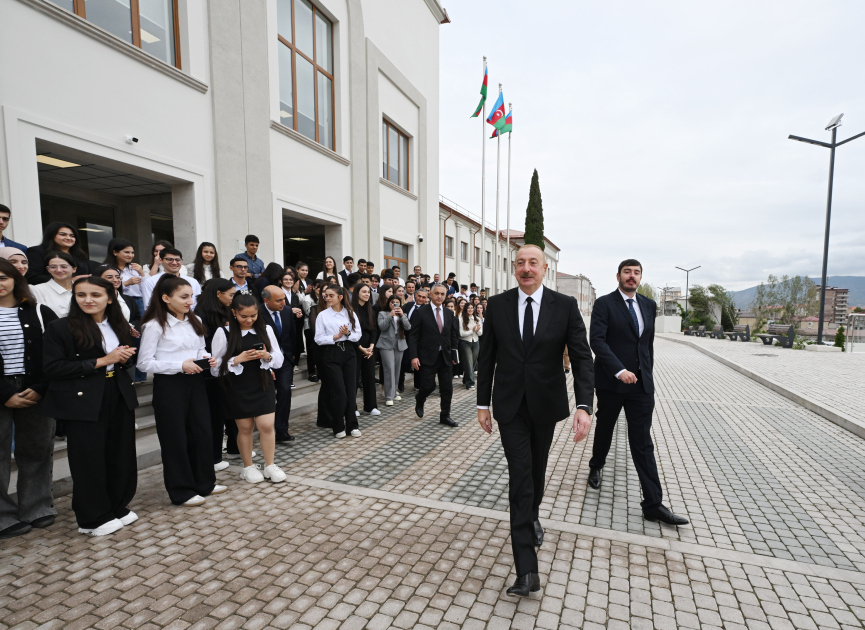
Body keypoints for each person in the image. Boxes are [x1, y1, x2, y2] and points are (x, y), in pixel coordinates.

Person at [476, 244, 595, 597]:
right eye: (520, 264)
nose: (526, 269)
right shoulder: (497, 305)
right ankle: (527, 570)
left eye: (533, 263)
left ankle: (532, 515)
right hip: (509, 406)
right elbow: (487, 357)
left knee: (537, 474)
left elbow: (582, 358)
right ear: (514, 269)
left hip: (546, 404)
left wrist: (584, 406)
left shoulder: (566, 306)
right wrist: (483, 404)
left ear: (545, 269)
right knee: (521, 479)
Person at [588, 259, 688, 526]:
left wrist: (648, 375)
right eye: (627, 272)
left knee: (642, 442)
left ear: (640, 277)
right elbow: (597, 340)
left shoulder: (648, 305)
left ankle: (653, 504)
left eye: (636, 273)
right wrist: (619, 370)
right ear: (618, 276)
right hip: (612, 383)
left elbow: (646, 345)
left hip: (641, 386)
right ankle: (596, 465)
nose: (632, 277)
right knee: (605, 427)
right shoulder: (604, 304)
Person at [42, 276, 139, 537]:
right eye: (81, 294)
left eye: (95, 295)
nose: (88, 300)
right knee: (89, 459)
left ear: (109, 298)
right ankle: (92, 518)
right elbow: (53, 368)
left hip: (117, 393)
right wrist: (102, 360)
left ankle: (117, 506)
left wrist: (128, 353)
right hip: (82, 398)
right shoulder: (60, 327)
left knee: (121, 452)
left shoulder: (119, 325)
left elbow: (124, 361)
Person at [138, 275, 227, 506]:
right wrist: (179, 365)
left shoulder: (194, 319)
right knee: (175, 438)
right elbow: (144, 363)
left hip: (196, 382)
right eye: (184, 297)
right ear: (166, 298)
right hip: (170, 385)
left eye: (191, 296)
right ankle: (182, 490)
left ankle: (204, 483)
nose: (190, 301)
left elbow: (199, 349)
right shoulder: (155, 325)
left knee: (202, 433)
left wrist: (207, 358)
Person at [0, 259, 57, 539]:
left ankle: (36, 506)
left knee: (37, 448)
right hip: (1, 389)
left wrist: (41, 386)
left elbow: (57, 353)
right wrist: (6, 393)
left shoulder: (38, 311)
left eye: (3, 277)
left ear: (14, 279)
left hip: (35, 387)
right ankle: (2, 515)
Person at [212, 292, 286, 483]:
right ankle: (248, 467)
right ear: (234, 312)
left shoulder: (266, 329)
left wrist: (266, 356)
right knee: (244, 428)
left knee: (266, 425)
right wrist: (237, 359)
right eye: (243, 316)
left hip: (263, 383)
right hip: (238, 387)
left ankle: (270, 465)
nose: (249, 320)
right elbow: (215, 368)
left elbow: (278, 358)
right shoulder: (224, 332)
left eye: (253, 315)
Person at [314, 285, 362, 438]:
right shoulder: (322, 315)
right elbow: (318, 338)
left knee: (350, 390)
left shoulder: (350, 313)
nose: (327, 298)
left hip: (348, 352)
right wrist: (334, 337)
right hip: (331, 353)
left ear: (340, 297)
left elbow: (357, 335)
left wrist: (347, 333)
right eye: (326, 295)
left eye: (331, 295)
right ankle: (338, 426)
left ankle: (352, 425)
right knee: (339, 392)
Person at [409, 284, 459, 427]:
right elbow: (413, 336)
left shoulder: (449, 313)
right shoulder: (421, 312)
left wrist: (454, 354)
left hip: (445, 357)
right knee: (428, 386)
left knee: (447, 388)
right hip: (426, 356)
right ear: (430, 294)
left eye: (442, 294)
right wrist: (414, 356)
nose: (439, 296)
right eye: (437, 293)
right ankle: (420, 398)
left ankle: (445, 415)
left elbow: (453, 335)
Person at [259, 285, 296, 442]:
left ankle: (281, 430)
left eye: (284, 298)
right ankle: (264, 429)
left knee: (285, 391)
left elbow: (292, 333)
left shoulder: (287, 311)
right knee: (266, 395)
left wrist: (293, 354)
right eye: (279, 300)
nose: (283, 302)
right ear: (266, 300)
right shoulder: (257, 313)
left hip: (285, 359)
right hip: (264, 360)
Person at [26, 222, 91, 285]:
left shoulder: (80, 255)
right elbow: (32, 277)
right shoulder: (37, 251)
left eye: (72, 236)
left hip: (80, 292)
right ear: (51, 235)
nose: (68, 238)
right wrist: (68, 281)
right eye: (63, 234)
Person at [377, 293, 410, 407]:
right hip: (386, 343)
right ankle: (389, 396)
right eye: (392, 302)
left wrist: (402, 316)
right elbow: (382, 326)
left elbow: (408, 327)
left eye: (397, 302)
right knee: (389, 369)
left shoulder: (403, 314)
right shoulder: (382, 313)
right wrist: (390, 315)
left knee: (397, 369)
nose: (395, 304)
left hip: (399, 342)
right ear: (389, 303)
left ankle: (394, 392)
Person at [351, 284, 379, 415]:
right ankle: (353, 407)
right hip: (356, 346)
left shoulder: (371, 310)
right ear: (357, 293)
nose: (367, 294)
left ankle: (370, 406)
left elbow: (374, 330)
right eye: (364, 292)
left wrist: (371, 346)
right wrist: (361, 348)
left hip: (369, 347)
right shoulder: (350, 310)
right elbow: (350, 332)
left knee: (369, 376)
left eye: (368, 292)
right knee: (354, 377)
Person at [94, 266, 142, 335]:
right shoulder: (95, 300)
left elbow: (137, 319)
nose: (115, 280)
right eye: (109, 277)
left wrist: (129, 326)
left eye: (117, 277)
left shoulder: (129, 299)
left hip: (127, 338)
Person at [103, 239, 145, 317]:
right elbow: (103, 287)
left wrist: (142, 273)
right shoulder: (105, 269)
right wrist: (126, 283)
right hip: (117, 299)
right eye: (127, 252)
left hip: (138, 301)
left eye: (132, 252)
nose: (131, 255)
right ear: (115, 252)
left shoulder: (135, 267)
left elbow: (145, 287)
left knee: (139, 325)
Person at [30, 252, 76, 317]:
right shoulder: (38, 290)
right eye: (53, 267)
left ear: (74, 269)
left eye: (64, 266)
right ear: (48, 269)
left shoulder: (82, 288)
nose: (59, 270)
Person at [458, 302, 482, 390]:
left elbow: (480, 333)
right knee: (468, 363)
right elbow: (461, 333)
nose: (470, 309)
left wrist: (477, 330)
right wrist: (473, 330)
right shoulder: (461, 318)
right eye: (468, 308)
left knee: (473, 363)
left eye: (472, 308)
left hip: (475, 342)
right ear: (465, 309)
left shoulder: (477, 319)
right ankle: (470, 383)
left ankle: (465, 379)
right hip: (465, 343)